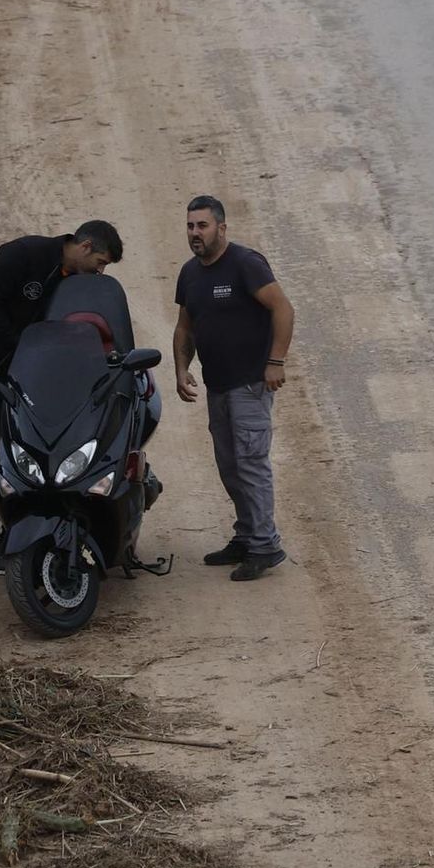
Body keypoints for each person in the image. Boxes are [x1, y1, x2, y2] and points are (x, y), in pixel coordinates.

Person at [0, 221, 124, 569]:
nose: (100, 272)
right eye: (101, 262)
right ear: (85, 246)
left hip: (31, 370)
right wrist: (20, 346)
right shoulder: (22, 254)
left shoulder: (74, 283)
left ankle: (31, 527)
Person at [173, 195, 295, 582]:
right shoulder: (190, 274)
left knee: (251, 464)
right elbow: (185, 327)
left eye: (203, 225)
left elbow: (283, 308)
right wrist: (181, 369)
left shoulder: (245, 263)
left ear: (221, 228)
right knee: (230, 467)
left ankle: (265, 546)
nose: (195, 233)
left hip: (249, 386)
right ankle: (246, 536)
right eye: (191, 225)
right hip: (218, 387)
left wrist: (275, 361)